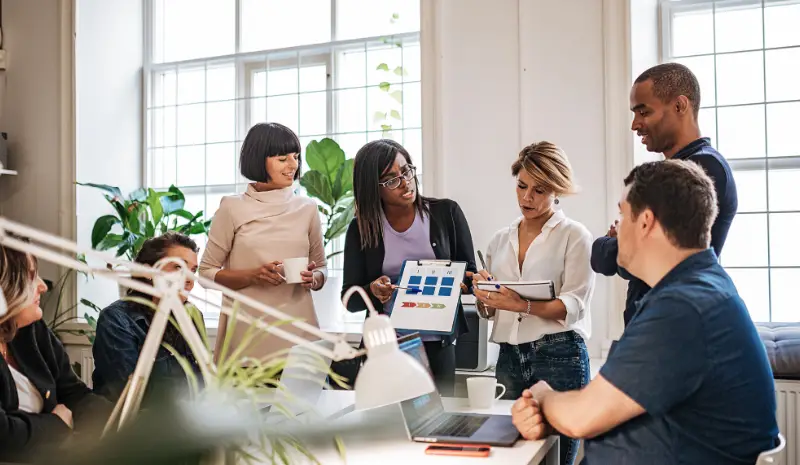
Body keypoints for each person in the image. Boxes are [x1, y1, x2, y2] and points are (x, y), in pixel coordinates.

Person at [511, 160, 778, 464]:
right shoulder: (700, 289)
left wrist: (543, 397)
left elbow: (580, 417)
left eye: (621, 215)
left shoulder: (683, 309)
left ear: (645, 222)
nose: (615, 230)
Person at [472, 141, 594, 465]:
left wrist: (519, 305)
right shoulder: (500, 240)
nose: (527, 198)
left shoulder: (575, 236)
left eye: (539, 190)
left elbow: (572, 307)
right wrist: (483, 297)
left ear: (557, 190)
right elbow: (491, 310)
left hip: (560, 355)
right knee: (509, 457)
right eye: (522, 186)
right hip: (508, 359)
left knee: (559, 458)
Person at [592, 62, 738, 326]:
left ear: (680, 106)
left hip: (676, 324)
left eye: (643, 111)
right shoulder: (674, 170)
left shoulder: (703, 168)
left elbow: (624, 259)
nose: (635, 125)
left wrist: (614, 241)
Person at [341, 139, 477, 396]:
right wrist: (372, 290)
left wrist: (464, 282)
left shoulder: (446, 213)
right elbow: (350, 300)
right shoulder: (361, 229)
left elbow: (470, 274)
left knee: (440, 426)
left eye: (406, 171)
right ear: (373, 188)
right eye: (391, 180)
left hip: (439, 344)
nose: (405, 182)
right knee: (387, 426)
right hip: (387, 347)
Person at [199, 122, 327, 360]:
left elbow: (320, 268)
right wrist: (253, 275)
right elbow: (205, 273)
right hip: (248, 338)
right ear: (259, 160)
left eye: (295, 157)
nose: (293, 165)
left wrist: (315, 277)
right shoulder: (232, 207)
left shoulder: (307, 208)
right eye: (282, 159)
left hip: (301, 336)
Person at [0, 240, 111, 462]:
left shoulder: (30, 329)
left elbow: (72, 392)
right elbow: (4, 435)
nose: (43, 286)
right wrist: (57, 424)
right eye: (31, 277)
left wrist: (116, 417)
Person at [93, 232, 206, 403]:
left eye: (193, 270)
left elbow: (203, 386)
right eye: (178, 267)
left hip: (188, 424)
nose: (190, 279)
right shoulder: (117, 320)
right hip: (138, 426)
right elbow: (128, 397)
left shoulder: (192, 317)